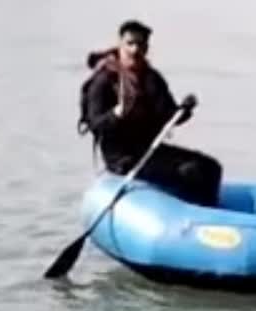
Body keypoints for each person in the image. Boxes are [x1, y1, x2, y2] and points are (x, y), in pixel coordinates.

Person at [77, 19, 223, 207]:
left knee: (211, 167)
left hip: (150, 149)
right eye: (130, 44)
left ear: (146, 47)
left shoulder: (152, 78)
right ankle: (193, 213)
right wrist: (117, 113)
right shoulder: (103, 81)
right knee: (191, 171)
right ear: (120, 45)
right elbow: (96, 125)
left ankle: (209, 211)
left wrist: (184, 111)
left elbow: (168, 115)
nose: (135, 50)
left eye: (140, 44)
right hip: (122, 157)